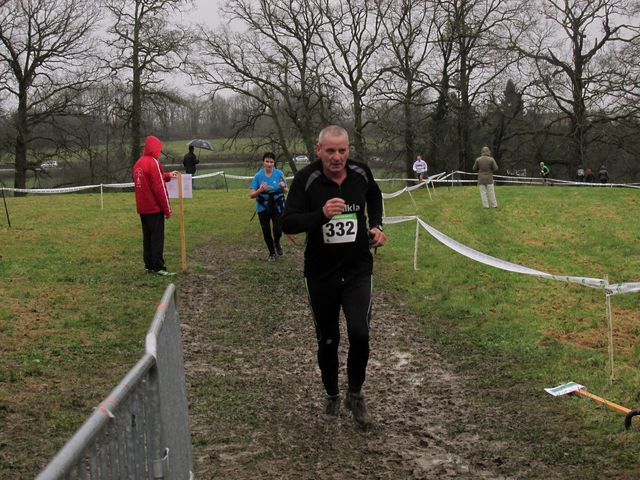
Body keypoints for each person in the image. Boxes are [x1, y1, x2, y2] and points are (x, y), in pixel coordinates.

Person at [281, 125, 386, 428]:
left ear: (348, 150)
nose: (337, 157)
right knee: (328, 340)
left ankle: (355, 393)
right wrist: (322, 214)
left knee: (360, 333)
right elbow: (287, 224)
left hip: (357, 270)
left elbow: (375, 196)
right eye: (330, 151)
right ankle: (332, 394)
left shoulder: (361, 173)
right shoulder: (307, 179)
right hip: (321, 274)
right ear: (319, 151)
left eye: (342, 150)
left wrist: (377, 226)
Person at [133, 135, 179, 276]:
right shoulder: (153, 162)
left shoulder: (138, 163)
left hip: (143, 209)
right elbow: (159, 188)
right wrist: (167, 210)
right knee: (157, 238)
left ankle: (149, 265)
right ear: (155, 148)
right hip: (154, 208)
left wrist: (167, 175)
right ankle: (159, 267)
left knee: (147, 237)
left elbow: (150, 179)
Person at [250, 152, 288, 261]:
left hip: (277, 206)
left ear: (274, 163)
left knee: (278, 230)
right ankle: (272, 253)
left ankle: (277, 242)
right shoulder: (258, 176)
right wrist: (259, 190)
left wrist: (282, 187)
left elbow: (286, 190)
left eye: (271, 162)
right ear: (263, 162)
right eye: (267, 161)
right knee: (266, 231)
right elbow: (251, 195)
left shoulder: (279, 174)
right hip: (263, 207)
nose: (269, 164)